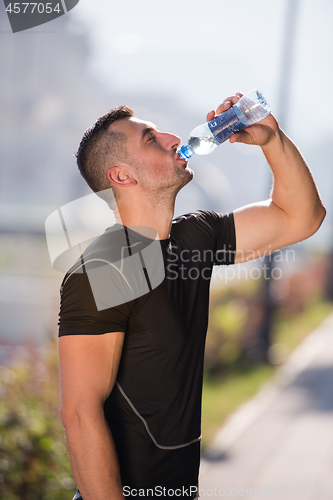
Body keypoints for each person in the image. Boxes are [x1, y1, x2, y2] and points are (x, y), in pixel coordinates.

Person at [58, 93, 325, 500]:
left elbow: (302, 217)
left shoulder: (194, 237)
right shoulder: (104, 271)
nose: (171, 137)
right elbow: (80, 413)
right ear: (122, 177)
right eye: (150, 139)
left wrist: (273, 140)